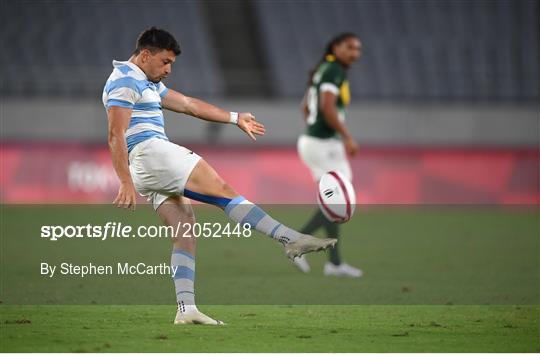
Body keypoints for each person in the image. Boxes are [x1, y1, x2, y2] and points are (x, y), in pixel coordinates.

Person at [103, 27, 336, 325]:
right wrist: (123, 181)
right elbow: (115, 133)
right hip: (151, 153)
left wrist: (234, 118)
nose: (169, 69)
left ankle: (186, 309)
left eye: (171, 63)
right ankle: (289, 238)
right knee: (223, 190)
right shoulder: (124, 80)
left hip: (147, 165)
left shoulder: (145, 80)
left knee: (184, 229)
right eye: (165, 62)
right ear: (145, 54)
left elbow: (187, 104)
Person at [295, 33, 363, 278]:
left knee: (335, 201)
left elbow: (305, 107)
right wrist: (346, 136)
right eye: (350, 47)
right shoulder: (334, 69)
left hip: (316, 142)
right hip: (324, 144)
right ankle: (296, 241)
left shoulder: (323, 69)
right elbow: (326, 106)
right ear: (336, 47)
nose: (355, 52)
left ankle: (333, 263)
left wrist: (317, 131)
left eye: (358, 49)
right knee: (339, 201)